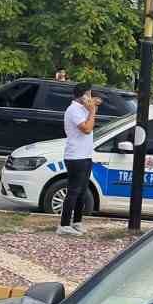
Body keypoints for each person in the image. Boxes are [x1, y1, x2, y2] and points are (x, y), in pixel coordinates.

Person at [59, 83, 99, 235]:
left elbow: (94, 112)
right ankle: (64, 225)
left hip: (86, 155)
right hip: (75, 157)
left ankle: (77, 222)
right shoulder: (73, 110)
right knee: (74, 191)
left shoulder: (83, 108)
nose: (90, 97)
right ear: (83, 96)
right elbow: (87, 129)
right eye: (89, 94)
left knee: (82, 191)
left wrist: (93, 105)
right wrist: (92, 110)